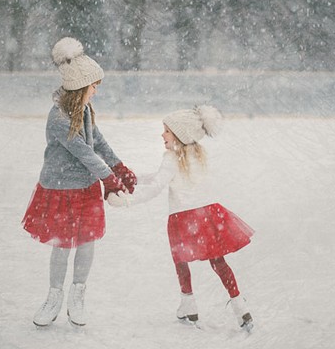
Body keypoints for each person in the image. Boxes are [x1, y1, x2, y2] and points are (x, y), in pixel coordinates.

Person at [21, 37, 137, 327]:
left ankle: (77, 296)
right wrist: (110, 180)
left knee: (86, 242)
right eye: (93, 86)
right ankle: (54, 297)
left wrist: (118, 166)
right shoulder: (58, 117)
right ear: (78, 89)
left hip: (86, 187)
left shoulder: (83, 111)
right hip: (60, 188)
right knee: (62, 244)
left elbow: (97, 140)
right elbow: (84, 152)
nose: (95, 92)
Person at [108, 105, 254, 332]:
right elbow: (159, 179)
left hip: (182, 218)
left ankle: (189, 303)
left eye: (166, 130)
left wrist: (127, 201)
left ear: (180, 134)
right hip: (207, 215)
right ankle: (239, 305)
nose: (162, 135)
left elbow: (157, 186)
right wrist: (134, 179)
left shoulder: (171, 158)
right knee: (218, 261)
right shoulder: (198, 155)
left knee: (181, 261)